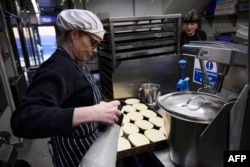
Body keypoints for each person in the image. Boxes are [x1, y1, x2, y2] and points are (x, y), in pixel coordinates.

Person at [10, 9, 122, 167]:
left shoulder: (73, 62)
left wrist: (98, 108)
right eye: (93, 43)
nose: (95, 50)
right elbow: (23, 120)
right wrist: (93, 112)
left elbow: (72, 100)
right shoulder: (57, 69)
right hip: (74, 154)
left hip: (88, 146)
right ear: (74, 34)